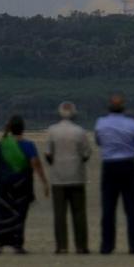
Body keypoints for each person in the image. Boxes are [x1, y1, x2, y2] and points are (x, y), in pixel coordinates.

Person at [0, 115, 49, 255]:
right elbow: (36, 164)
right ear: (23, 129)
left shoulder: (2, 144)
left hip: (4, 186)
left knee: (0, 214)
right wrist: (44, 182)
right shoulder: (28, 145)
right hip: (22, 186)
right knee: (19, 215)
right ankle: (17, 244)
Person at [95, 94, 134, 254]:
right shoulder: (132, 123)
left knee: (108, 208)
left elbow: (99, 142)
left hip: (109, 166)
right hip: (128, 165)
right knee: (131, 208)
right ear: (123, 107)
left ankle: (107, 245)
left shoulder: (100, 123)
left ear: (109, 106)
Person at [44, 101, 92, 254]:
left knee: (59, 214)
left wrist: (55, 163)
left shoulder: (52, 131)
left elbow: (48, 153)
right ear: (74, 113)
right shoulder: (80, 131)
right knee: (79, 213)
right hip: (77, 176)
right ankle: (81, 246)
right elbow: (86, 153)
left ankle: (62, 246)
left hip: (58, 177)